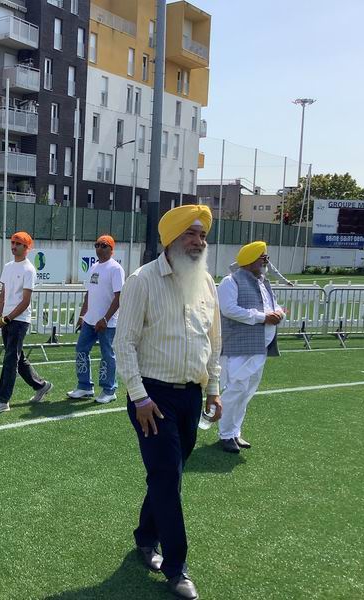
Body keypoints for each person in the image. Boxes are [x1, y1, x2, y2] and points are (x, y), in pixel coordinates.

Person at [115, 205, 222, 600]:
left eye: (202, 235)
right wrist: (139, 397)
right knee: (166, 477)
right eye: (190, 234)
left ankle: (145, 537)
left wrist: (213, 388)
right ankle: (176, 568)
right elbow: (124, 343)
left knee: (169, 476)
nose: (199, 242)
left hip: (191, 395)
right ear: (171, 239)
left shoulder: (206, 282)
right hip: (153, 398)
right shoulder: (142, 281)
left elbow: (213, 340)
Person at [217, 241, 284, 453]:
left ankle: (234, 432)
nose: (266, 262)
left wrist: (279, 313)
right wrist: (263, 317)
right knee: (236, 389)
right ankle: (225, 433)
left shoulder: (263, 283)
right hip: (239, 345)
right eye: (263, 258)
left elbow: (272, 306)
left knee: (247, 391)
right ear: (250, 259)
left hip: (260, 347)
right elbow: (229, 309)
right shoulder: (230, 281)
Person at [0, 232, 52, 414]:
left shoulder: (29, 269)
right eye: (13, 243)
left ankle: (2, 401)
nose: (14, 246)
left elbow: (25, 301)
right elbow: (3, 293)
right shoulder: (8, 267)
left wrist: (8, 318)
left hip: (19, 321)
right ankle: (41, 385)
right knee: (17, 357)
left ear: (26, 247)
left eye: (18, 243)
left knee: (10, 360)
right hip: (6, 319)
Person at [67, 235, 124, 404]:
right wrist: (82, 315)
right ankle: (85, 386)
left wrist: (105, 319)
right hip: (90, 320)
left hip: (107, 323)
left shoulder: (116, 269)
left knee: (107, 355)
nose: (99, 248)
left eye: (104, 245)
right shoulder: (93, 267)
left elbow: (119, 297)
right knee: (81, 349)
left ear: (111, 249)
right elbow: (89, 293)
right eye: (97, 245)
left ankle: (109, 390)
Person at [229, 257, 294, 286]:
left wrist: (286, 282)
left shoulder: (266, 262)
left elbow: (274, 272)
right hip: (247, 285)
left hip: (260, 285)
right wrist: (243, 276)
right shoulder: (249, 261)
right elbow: (232, 267)